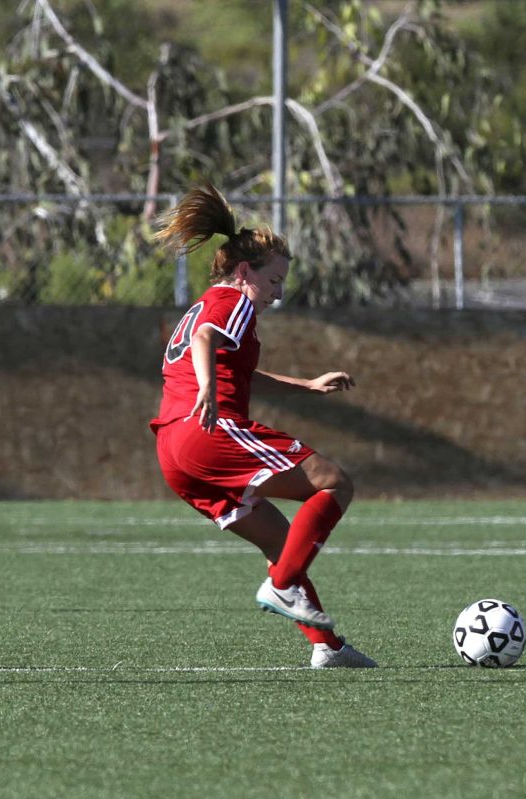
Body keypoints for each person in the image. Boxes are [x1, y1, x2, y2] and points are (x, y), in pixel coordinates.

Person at [150, 180, 376, 668]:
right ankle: (282, 585)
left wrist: (307, 385)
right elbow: (207, 341)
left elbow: (240, 371)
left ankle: (326, 648)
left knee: (280, 539)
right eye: (274, 281)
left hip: (174, 451)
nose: (277, 294)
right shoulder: (233, 302)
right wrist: (209, 388)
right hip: (207, 432)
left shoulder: (204, 304)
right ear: (245, 271)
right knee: (334, 484)